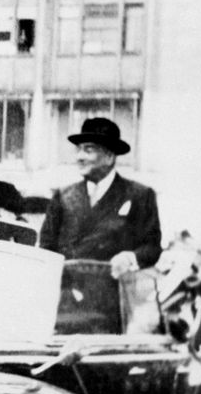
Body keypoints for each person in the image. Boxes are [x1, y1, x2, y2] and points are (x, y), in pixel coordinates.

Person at [38, 117, 162, 278]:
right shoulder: (62, 197)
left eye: (88, 150)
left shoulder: (140, 195)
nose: (79, 157)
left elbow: (152, 248)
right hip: (67, 293)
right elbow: (46, 248)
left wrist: (130, 258)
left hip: (114, 293)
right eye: (78, 149)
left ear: (109, 156)